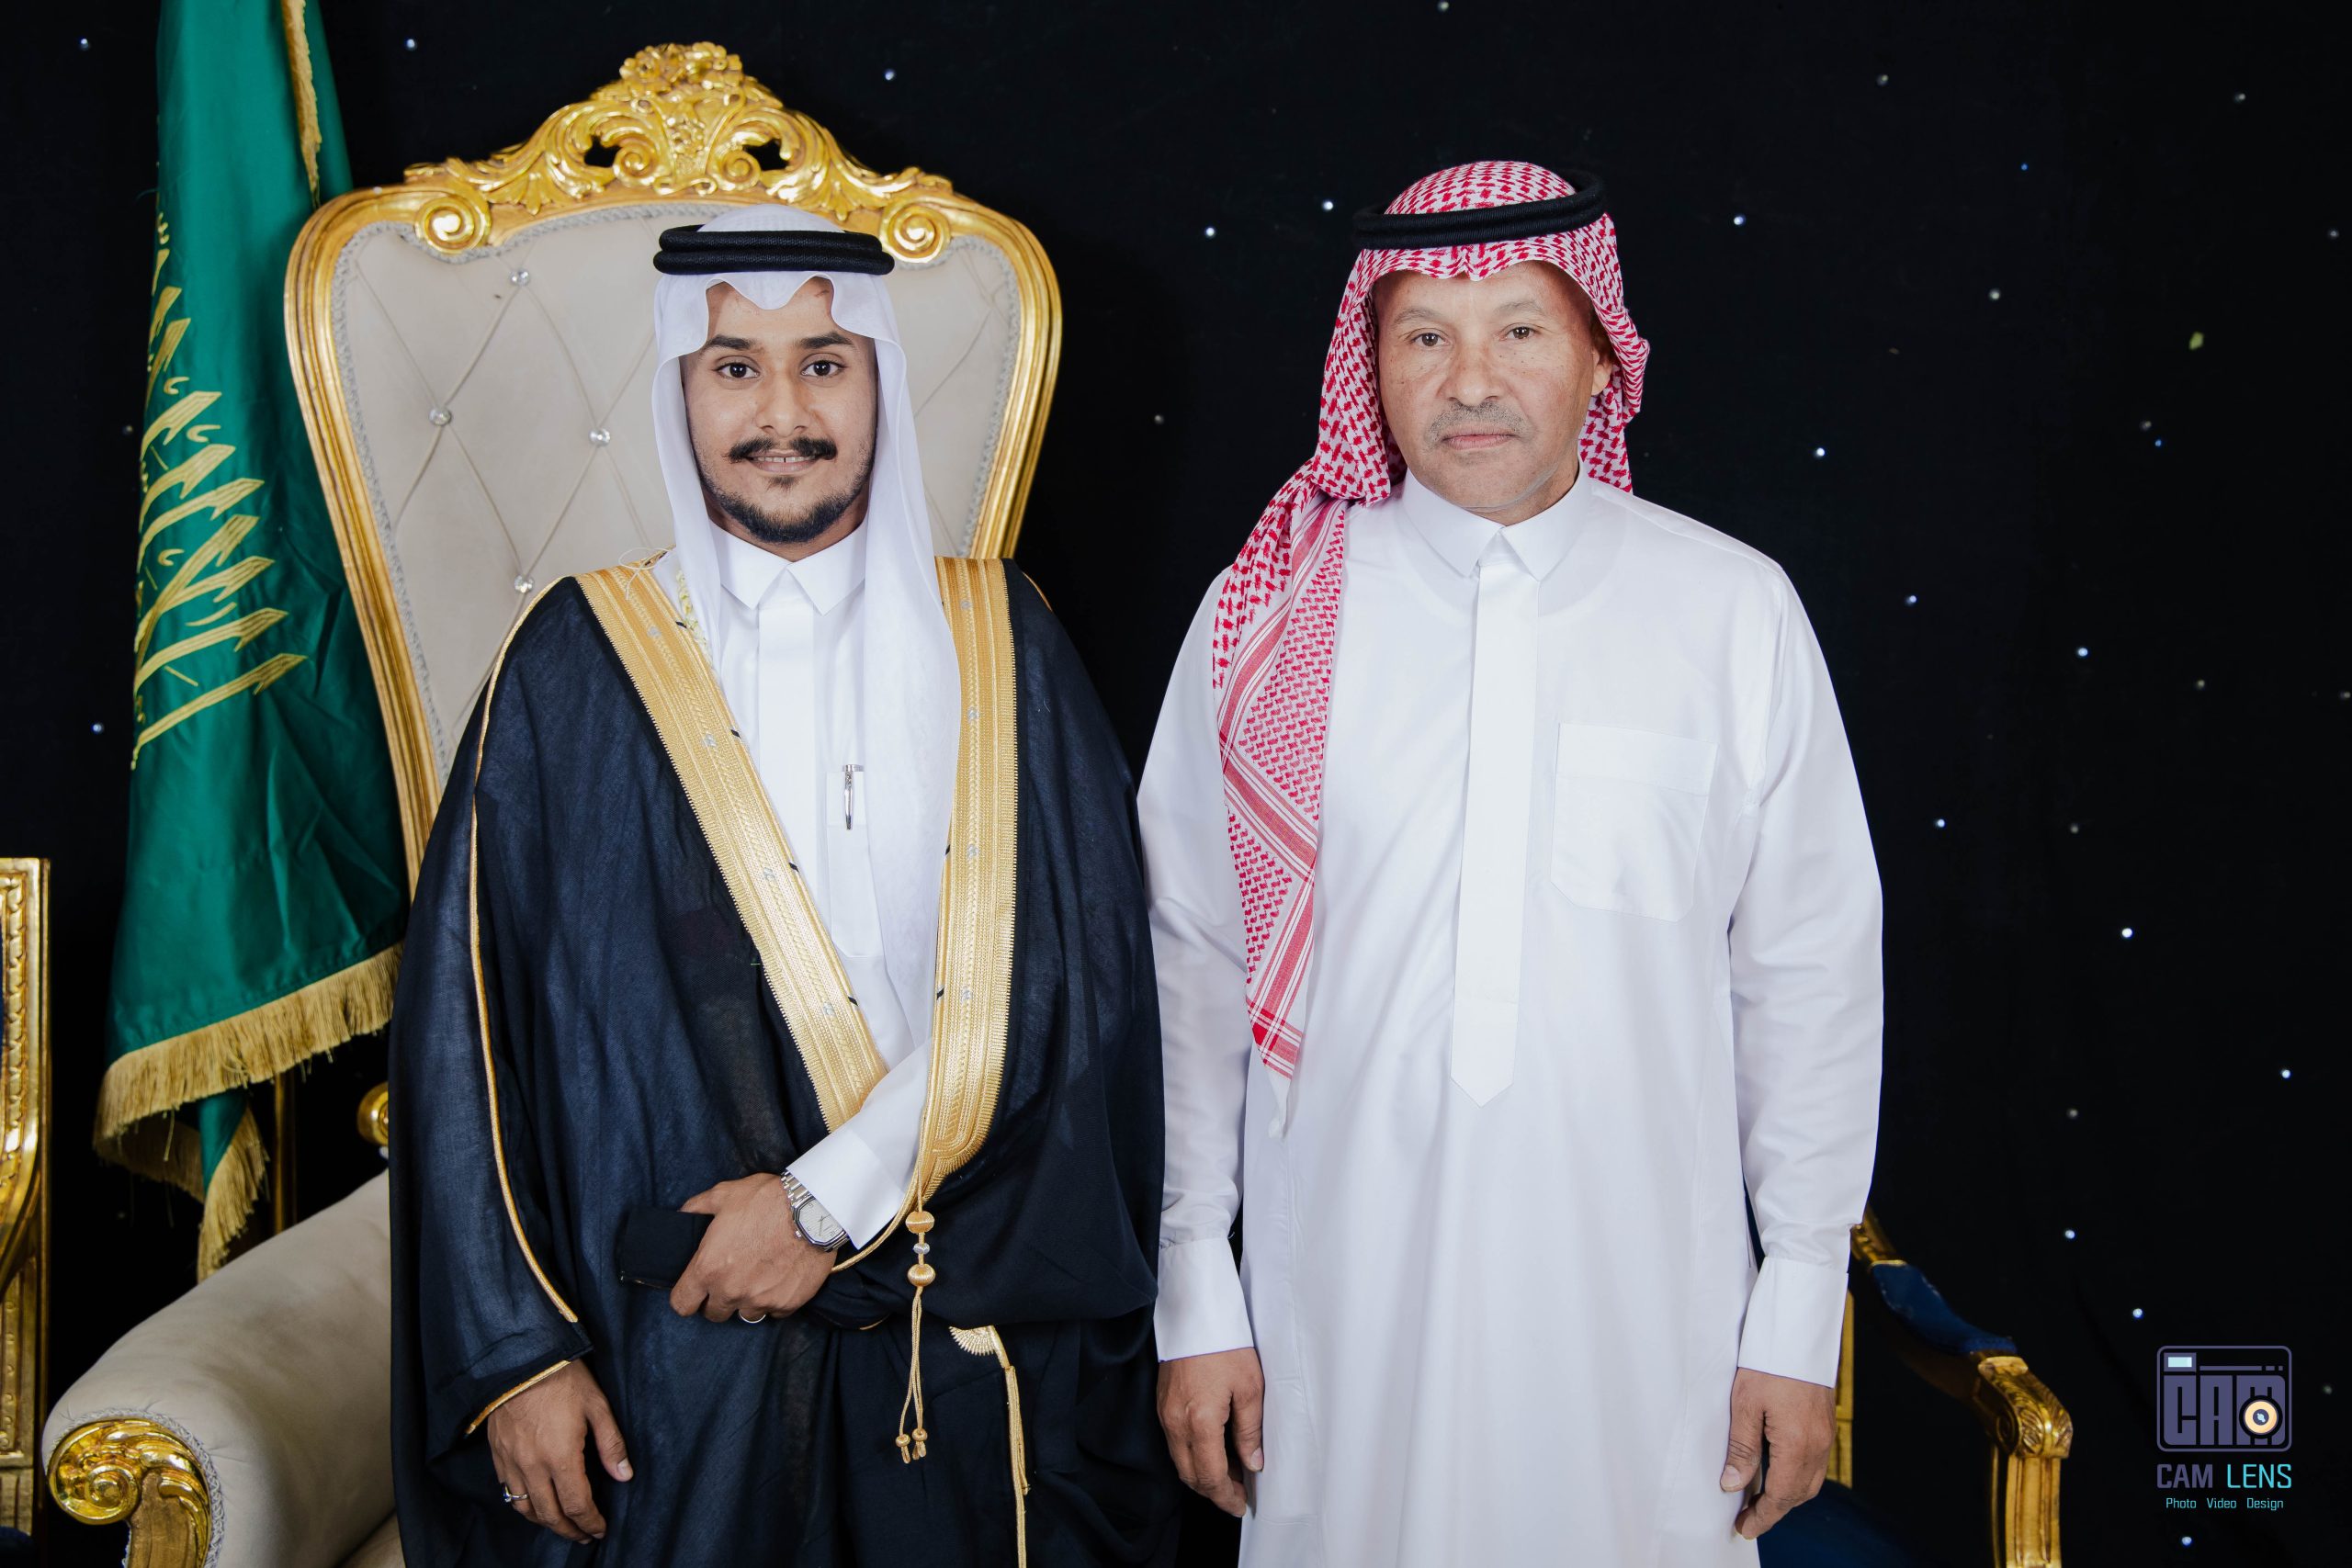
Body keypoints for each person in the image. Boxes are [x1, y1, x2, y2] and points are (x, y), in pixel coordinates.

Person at [390, 207, 1180, 1566]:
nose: (782, 414)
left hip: (958, 1315)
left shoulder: (1004, 640)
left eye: (823, 364)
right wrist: (515, 1357)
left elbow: (1081, 986)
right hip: (670, 1352)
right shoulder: (571, 662)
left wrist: (822, 1205)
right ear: (678, 391)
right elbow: (463, 1035)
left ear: (878, 382)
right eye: (734, 368)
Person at [1142, 162, 1883, 1563]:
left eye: (1520, 331)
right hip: (1335, 1311)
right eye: (1425, 335)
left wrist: (1795, 1317)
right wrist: (1197, 1291)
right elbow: (1188, 965)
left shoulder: (1730, 610)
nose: (1470, 380)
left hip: (1647, 1322)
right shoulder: (1270, 616)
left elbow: (1810, 983)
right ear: (1370, 366)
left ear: (1602, 356)